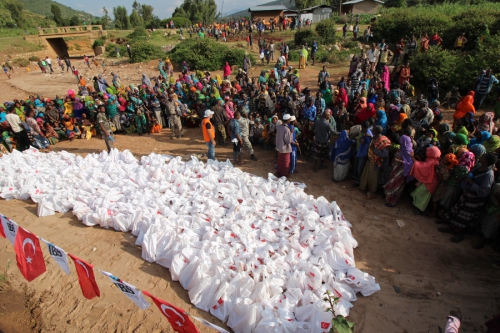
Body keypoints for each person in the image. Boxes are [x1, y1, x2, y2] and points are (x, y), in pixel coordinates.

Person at [439, 153, 497, 243]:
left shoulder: (488, 175)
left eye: (483, 157)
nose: (480, 157)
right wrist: (464, 178)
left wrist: (471, 183)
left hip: (474, 200)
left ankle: (459, 234)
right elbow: (470, 175)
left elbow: (483, 192)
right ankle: (452, 229)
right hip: (467, 194)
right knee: (457, 212)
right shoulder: (479, 167)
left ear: (486, 161)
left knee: (465, 218)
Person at [360, 125, 391, 200]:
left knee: (373, 179)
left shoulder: (383, 141)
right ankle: (366, 188)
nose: (371, 130)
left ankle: (372, 192)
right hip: (370, 160)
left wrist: (374, 149)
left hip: (376, 163)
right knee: (367, 176)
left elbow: (385, 154)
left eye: (373, 130)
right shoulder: (375, 137)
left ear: (376, 131)